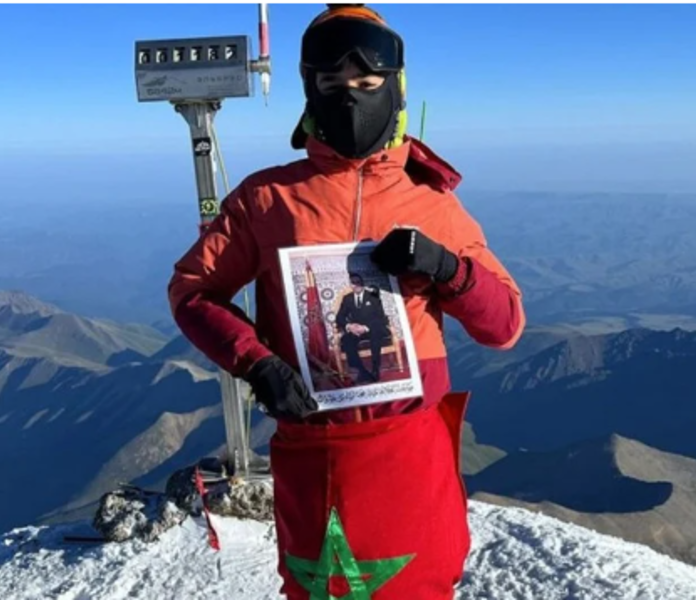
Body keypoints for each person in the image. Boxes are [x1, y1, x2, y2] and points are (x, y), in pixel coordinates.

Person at [168, 4, 525, 598]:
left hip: (408, 447)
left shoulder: (431, 203)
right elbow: (192, 290)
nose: (351, 99)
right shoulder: (267, 198)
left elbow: (504, 325)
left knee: (421, 584)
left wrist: (445, 267)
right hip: (315, 445)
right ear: (309, 91)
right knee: (318, 586)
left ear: (396, 87)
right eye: (331, 85)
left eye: (367, 83)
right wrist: (257, 362)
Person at [335, 272, 390, 383]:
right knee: (347, 339)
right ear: (350, 285)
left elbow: (381, 318)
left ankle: (375, 368)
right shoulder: (347, 298)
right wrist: (349, 326)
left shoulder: (373, 297)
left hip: (372, 328)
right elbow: (339, 317)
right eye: (353, 283)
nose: (356, 285)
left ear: (362, 283)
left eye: (358, 282)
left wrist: (365, 327)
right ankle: (361, 371)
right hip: (356, 330)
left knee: (376, 334)